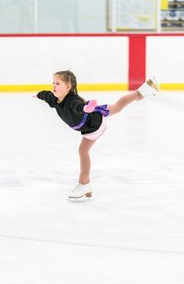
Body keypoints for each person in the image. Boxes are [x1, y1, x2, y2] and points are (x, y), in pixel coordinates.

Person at [34, 70, 159, 199]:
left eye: (58, 83)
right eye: (53, 83)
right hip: (94, 119)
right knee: (117, 106)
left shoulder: (72, 101)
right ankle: (143, 91)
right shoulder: (54, 99)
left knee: (83, 151)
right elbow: (46, 95)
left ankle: (84, 183)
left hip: (94, 125)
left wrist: (86, 109)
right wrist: (38, 95)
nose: (54, 86)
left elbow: (78, 107)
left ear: (68, 86)